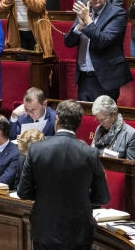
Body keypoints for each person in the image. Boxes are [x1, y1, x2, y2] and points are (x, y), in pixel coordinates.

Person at [18, 100, 111, 250]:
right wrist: (81, 198)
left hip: (45, 227)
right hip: (78, 230)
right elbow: (103, 197)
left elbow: (23, 192)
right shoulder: (90, 153)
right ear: (79, 123)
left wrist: (45, 196)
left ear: (57, 119)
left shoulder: (36, 150)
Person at [64, 0, 133, 102]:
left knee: (104, 118)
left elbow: (103, 40)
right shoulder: (84, 12)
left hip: (105, 77)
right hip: (84, 76)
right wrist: (79, 27)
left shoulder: (118, 14)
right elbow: (68, 43)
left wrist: (88, 22)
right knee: (85, 117)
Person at [91, 95, 135, 160]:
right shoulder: (100, 129)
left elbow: (130, 166)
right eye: (98, 120)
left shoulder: (131, 134)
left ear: (114, 114)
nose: (101, 123)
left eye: (103, 119)